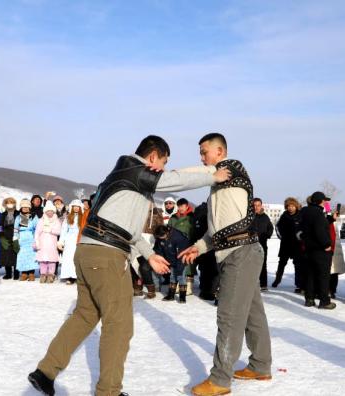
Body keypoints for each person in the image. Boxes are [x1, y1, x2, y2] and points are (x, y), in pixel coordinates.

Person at [28, 135, 230, 396]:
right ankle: (109, 391)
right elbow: (173, 180)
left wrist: (148, 254)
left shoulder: (121, 178)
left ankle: (45, 372)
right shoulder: (134, 169)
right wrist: (212, 175)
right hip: (107, 257)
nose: (163, 170)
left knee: (85, 315)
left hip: (89, 251)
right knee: (119, 325)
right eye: (164, 162)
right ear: (153, 157)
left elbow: (125, 229)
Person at [178, 133, 271, 396]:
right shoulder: (218, 189)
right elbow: (217, 232)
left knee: (229, 317)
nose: (201, 157)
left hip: (240, 253)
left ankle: (220, 380)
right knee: (253, 313)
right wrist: (197, 248)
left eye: (204, 151)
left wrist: (167, 175)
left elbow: (200, 172)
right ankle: (261, 365)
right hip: (240, 252)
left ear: (220, 152)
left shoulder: (231, 170)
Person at [300, 192, 337, 310]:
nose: (326, 202)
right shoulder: (318, 213)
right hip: (320, 250)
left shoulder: (305, 212)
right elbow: (319, 230)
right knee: (323, 276)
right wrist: (327, 244)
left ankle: (309, 299)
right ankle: (324, 301)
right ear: (321, 201)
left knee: (310, 275)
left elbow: (306, 228)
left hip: (308, 249)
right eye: (325, 201)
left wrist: (330, 219)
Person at [154, 225, 190, 303]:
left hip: (181, 260)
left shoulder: (178, 237)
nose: (160, 238)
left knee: (181, 277)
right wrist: (162, 261)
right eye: (159, 237)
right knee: (172, 277)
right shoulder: (160, 238)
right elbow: (159, 250)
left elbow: (182, 253)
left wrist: (180, 267)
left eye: (162, 236)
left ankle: (182, 297)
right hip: (171, 260)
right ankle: (171, 295)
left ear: (166, 233)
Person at [272, 197, 301, 289]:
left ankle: (298, 283)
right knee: (281, 263)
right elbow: (277, 227)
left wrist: (301, 238)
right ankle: (277, 279)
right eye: (288, 206)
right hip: (285, 244)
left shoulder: (301, 215)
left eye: (292, 206)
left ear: (296, 206)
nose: (290, 208)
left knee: (297, 264)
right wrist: (282, 237)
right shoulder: (284, 216)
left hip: (297, 245)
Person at [250, 197, 274, 292]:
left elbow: (270, 228)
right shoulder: (248, 216)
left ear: (261, 206)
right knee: (249, 264)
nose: (256, 207)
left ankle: (263, 284)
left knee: (262, 264)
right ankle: (250, 284)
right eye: (254, 205)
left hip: (262, 244)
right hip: (249, 245)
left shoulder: (265, 217)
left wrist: (267, 235)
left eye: (258, 205)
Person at [35, 201, 62, 283]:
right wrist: (37, 241)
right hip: (43, 242)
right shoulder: (41, 220)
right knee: (43, 260)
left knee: (52, 260)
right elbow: (37, 232)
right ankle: (43, 275)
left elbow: (59, 231)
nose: (49, 213)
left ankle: (51, 275)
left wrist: (51, 230)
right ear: (45, 212)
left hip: (52, 243)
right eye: (48, 211)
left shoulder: (57, 220)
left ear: (54, 211)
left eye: (51, 211)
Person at [58, 199, 84, 284]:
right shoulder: (68, 217)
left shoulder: (83, 217)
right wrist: (61, 241)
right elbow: (64, 230)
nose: (76, 208)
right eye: (74, 207)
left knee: (78, 258)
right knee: (69, 258)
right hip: (69, 240)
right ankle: (70, 276)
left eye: (78, 207)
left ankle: (78, 276)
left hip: (79, 240)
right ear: (71, 208)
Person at [15, 199, 38, 281]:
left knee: (31, 256)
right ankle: (24, 273)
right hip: (21, 238)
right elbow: (15, 229)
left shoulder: (34, 217)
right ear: (21, 208)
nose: (25, 209)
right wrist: (15, 240)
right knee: (22, 256)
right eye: (23, 207)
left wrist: (36, 238)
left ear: (29, 208)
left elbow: (37, 228)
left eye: (27, 207)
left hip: (31, 237)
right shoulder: (18, 217)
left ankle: (31, 273)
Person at [0, 197, 19, 279]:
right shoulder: (3, 215)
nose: (10, 204)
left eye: (11, 202)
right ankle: (8, 273)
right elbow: (0, 226)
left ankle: (16, 273)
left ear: (14, 204)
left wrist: (18, 237)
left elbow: (22, 225)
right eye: (8, 202)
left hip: (15, 236)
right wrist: (1, 236)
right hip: (6, 236)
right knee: (6, 255)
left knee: (16, 254)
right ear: (5, 204)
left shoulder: (18, 213)